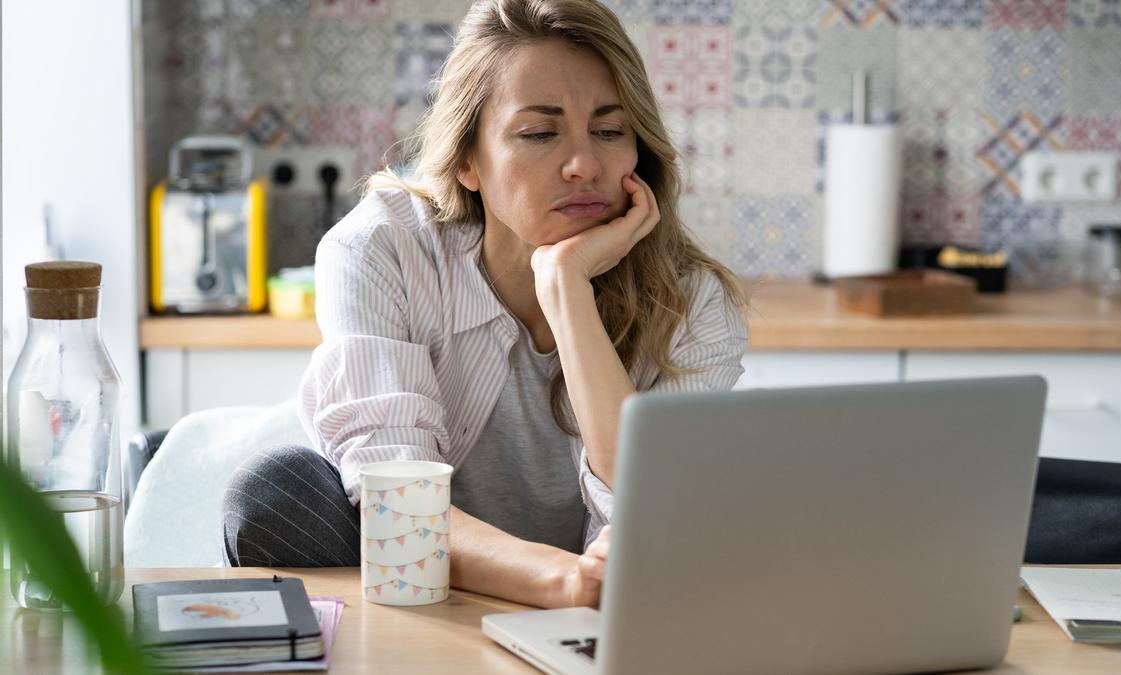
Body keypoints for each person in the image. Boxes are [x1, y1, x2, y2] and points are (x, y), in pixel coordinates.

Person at [221, 0, 748, 609]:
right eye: (539, 133)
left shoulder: (693, 302)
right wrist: (564, 581)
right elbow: (399, 501)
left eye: (609, 130)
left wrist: (566, 291)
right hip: (426, 586)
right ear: (468, 159)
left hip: (610, 612)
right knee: (274, 492)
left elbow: (652, 511)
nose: (584, 165)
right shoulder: (381, 248)